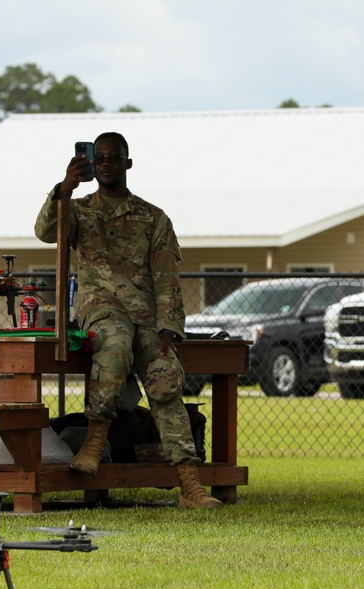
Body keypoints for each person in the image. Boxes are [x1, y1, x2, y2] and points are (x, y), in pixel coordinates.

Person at [34, 131, 221, 508]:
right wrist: (63, 188)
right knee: (114, 344)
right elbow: (45, 233)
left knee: (166, 378)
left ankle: (190, 484)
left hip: (146, 316)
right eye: (99, 158)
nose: (104, 163)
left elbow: (166, 275)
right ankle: (94, 441)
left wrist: (169, 326)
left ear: (127, 163)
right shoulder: (79, 208)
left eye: (113, 158)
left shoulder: (152, 217)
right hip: (100, 309)